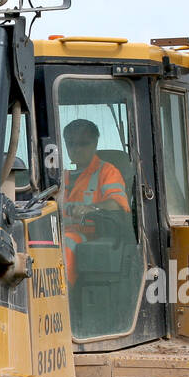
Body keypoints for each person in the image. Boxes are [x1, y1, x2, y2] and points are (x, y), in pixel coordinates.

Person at [61, 118, 130, 279]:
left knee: (65, 245)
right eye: (71, 144)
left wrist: (92, 208)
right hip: (58, 232)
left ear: (95, 144)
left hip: (91, 235)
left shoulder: (107, 172)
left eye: (83, 144)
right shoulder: (60, 177)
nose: (76, 149)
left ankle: (65, 297)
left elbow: (117, 204)